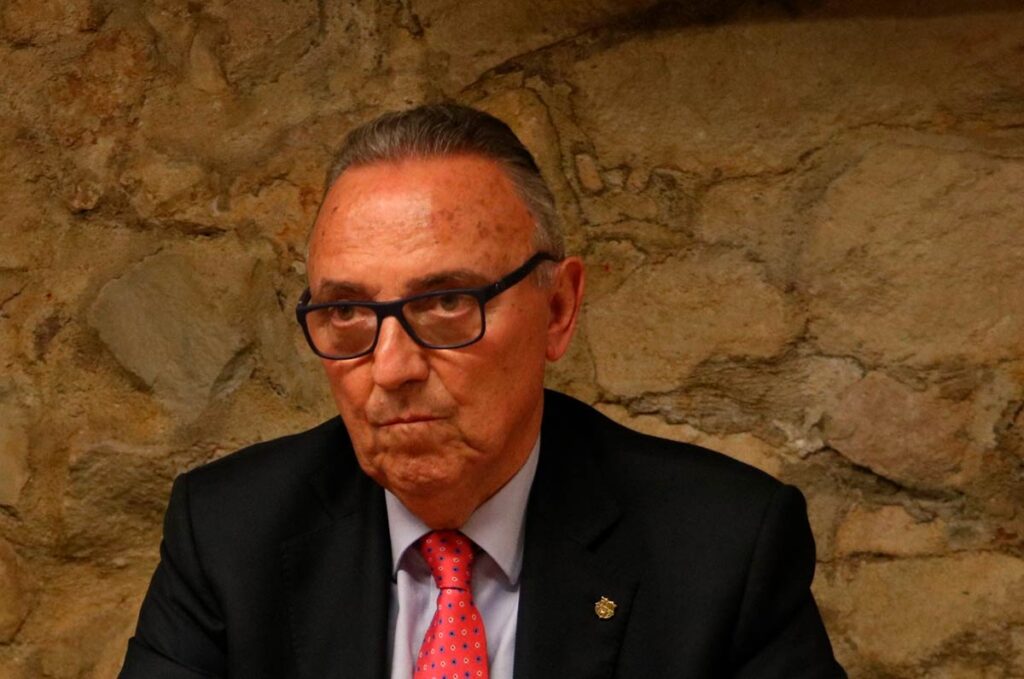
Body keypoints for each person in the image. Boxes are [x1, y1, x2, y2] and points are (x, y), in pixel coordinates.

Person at [119, 103, 846, 678]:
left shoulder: (722, 550)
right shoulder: (229, 535)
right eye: (346, 313)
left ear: (557, 310)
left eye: (446, 303)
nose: (392, 368)